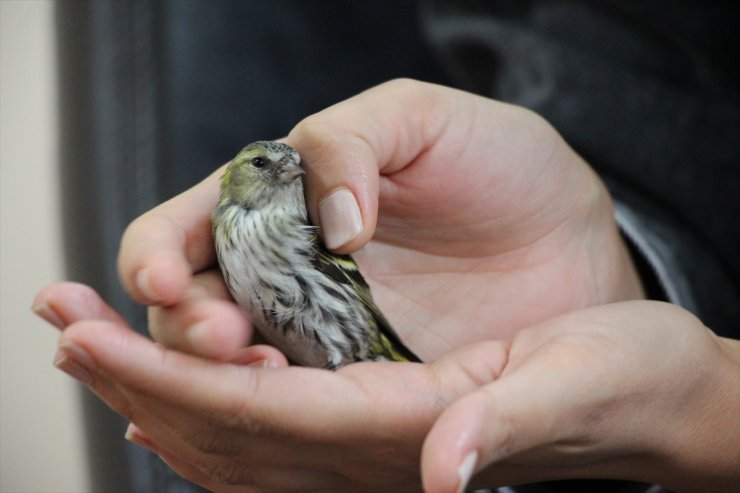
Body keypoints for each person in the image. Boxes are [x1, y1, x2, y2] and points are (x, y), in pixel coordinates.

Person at [34, 79, 739, 493]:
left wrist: (710, 401)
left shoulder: (292, 223)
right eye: (264, 164)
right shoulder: (227, 231)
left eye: (291, 165)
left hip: (356, 336)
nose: (286, 170)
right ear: (234, 182)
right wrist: (634, 270)